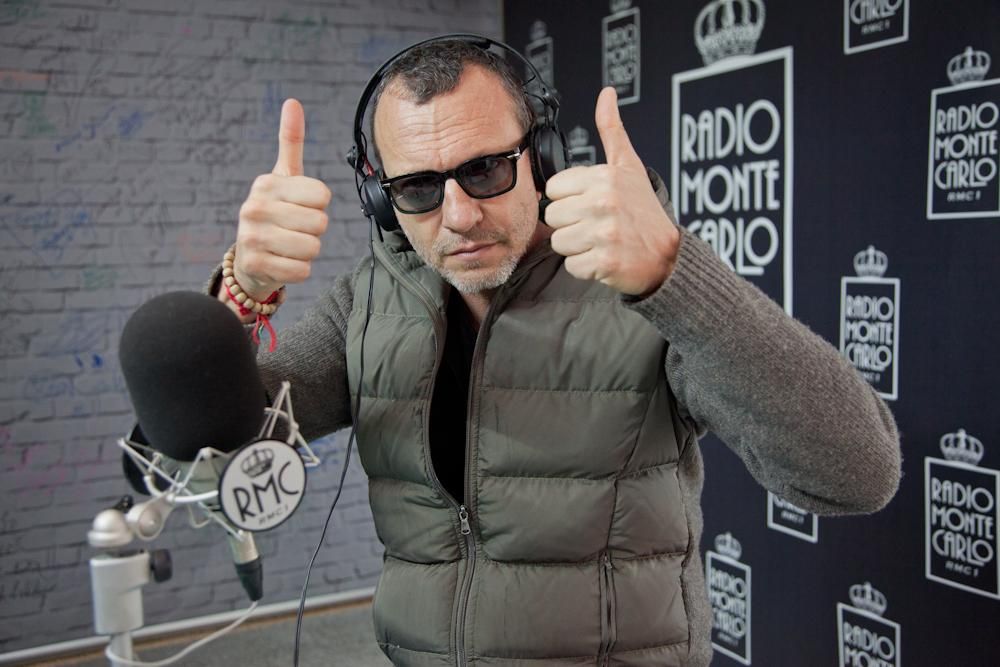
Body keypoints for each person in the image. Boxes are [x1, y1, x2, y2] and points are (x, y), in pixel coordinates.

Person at [212, 39, 901, 667]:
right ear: (379, 198)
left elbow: (858, 473)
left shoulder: (640, 287)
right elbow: (211, 442)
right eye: (418, 188)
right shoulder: (366, 301)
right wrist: (241, 292)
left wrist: (676, 278)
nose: (459, 215)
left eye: (486, 169)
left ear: (543, 155)